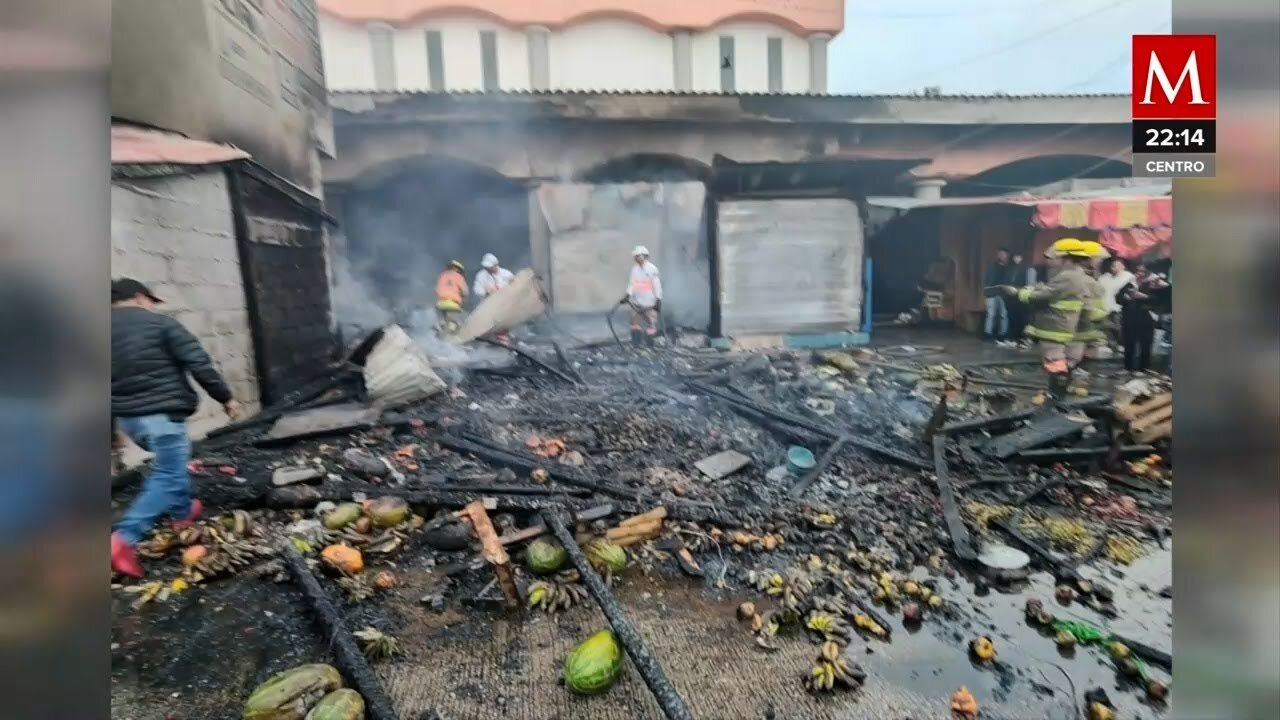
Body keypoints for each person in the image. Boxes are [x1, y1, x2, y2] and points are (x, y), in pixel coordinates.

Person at [110, 278, 242, 578]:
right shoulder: (162, 325)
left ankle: (182, 514)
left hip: (129, 421)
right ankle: (123, 538)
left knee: (173, 465)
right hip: (163, 417)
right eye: (151, 301)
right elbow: (199, 363)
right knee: (168, 474)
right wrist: (226, 399)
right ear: (141, 297)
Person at [1000, 239, 1093, 398]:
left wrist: (1019, 293)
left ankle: (1056, 396)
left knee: (1054, 360)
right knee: (1062, 361)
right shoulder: (1077, 275)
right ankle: (1059, 392)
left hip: (1055, 325)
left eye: (1055, 256)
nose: (1051, 259)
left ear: (1067, 258)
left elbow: (1045, 295)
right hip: (1064, 324)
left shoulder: (1068, 276)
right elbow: (1055, 291)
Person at [1117, 263, 1171, 373]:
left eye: (1143, 271)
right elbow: (1118, 297)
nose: (1139, 273)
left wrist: (1145, 297)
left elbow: (1163, 301)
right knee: (1128, 343)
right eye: (1138, 271)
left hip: (1146, 317)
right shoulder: (1131, 282)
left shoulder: (1158, 283)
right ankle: (1127, 367)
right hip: (1129, 317)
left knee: (1145, 344)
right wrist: (1125, 298)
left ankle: (1143, 369)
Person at [620, 245, 663, 346]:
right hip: (637, 302)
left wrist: (658, 299)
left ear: (645, 256)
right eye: (635, 256)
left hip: (650, 302)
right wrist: (628, 295)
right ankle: (636, 344)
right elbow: (632, 284)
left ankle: (650, 345)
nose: (636, 258)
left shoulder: (652, 269)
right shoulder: (635, 269)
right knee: (635, 322)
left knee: (651, 324)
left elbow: (657, 286)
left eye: (638, 256)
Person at [1005, 252, 1037, 345]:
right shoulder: (1011, 268)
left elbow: (1031, 285)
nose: (1016, 259)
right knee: (1013, 318)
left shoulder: (1029, 268)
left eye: (1018, 256)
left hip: (1024, 297)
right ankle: (1013, 338)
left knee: (1024, 319)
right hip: (1012, 298)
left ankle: (1024, 338)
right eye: (1015, 256)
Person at [983, 248, 1011, 342]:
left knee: (1003, 315)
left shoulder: (1008, 268)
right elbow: (987, 279)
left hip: (1003, 294)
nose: (1002, 256)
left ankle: (1002, 334)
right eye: (1000, 254)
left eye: (1004, 254)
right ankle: (988, 334)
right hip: (991, 293)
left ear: (1007, 256)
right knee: (991, 314)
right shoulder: (992, 267)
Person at [434, 260, 468, 335]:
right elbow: (465, 292)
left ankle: (439, 334)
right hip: (452, 305)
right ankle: (449, 341)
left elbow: (436, 290)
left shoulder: (442, 276)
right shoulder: (459, 277)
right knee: (454, 325)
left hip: (440, 305)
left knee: (442, 324)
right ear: (459, 269)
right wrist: (463, 300)